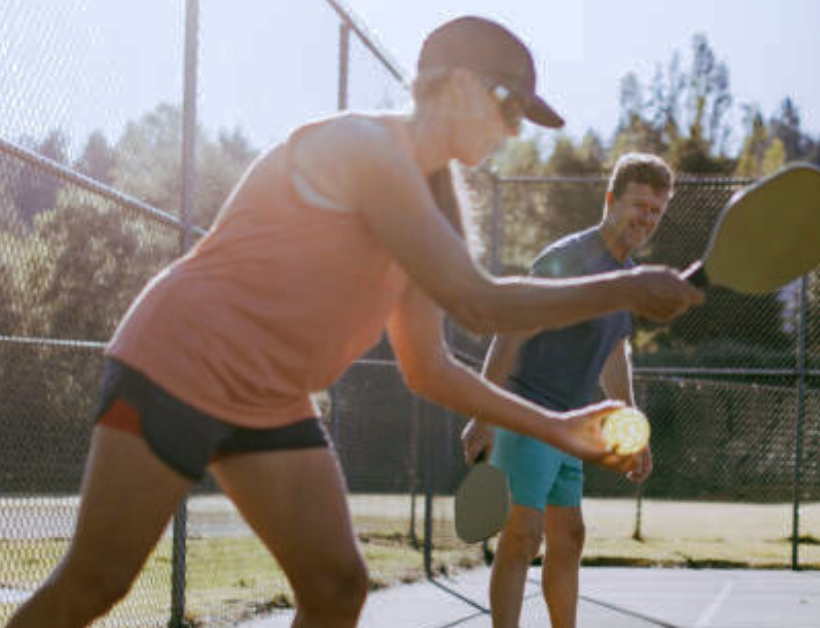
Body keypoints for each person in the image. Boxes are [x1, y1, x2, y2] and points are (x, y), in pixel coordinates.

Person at [4, 17, 703, 628]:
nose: (515, 129)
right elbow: (480, 304)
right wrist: (631, 286)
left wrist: (555, 428)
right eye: (511, 107)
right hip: (178, 361)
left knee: (337, 586)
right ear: (459, 85)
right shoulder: (367, 149)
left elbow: (427, 366)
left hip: (270, 397)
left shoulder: (434, 200)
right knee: (96, 583)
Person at [461, 152, 675, 628]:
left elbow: (615, 357)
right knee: (522, 536)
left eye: (656, 211)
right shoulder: (568, 257)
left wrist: (632, 430)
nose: (646, 218)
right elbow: (511, 328)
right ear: (610, 200)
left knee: (571, 536)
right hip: (528, 412)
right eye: (639, 204)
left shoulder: (627, 278)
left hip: (570, 427)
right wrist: (484, 413)